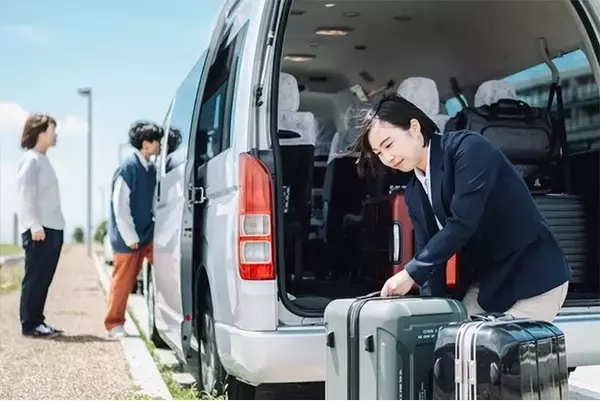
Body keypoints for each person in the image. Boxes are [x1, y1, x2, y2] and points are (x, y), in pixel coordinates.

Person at [352, 94, 571, 322]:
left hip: (533, 276)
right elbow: (428, 256)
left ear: (414, 127)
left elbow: (463, 223)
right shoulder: (414, 191)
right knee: (451, 337)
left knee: (493, 342)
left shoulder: (468, 149)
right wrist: (430, 312)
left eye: (388, 145)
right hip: (489, 282)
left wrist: (409, 274)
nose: (387, 157)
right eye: (379, 153)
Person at [104, 121, 163, 338]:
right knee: (123, 281)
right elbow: (120, 206)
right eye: (156, 141)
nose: (160, 145)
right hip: (127, 238)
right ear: (146, 144)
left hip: (147, 233)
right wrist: (129, 237)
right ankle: (114, 324)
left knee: (166, 265)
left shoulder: (151, 169)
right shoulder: (128, 168)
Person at [16, 113, 65, 338]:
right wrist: (34, 225)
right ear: (40, 132)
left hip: (52, 228)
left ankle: (38, 320)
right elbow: (26, 196)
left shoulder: (43, 160)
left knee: (44, 279)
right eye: (52, 130)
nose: (55, 135)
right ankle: (30, 324)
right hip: (40, 230)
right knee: (35, 278)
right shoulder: (31, 160)